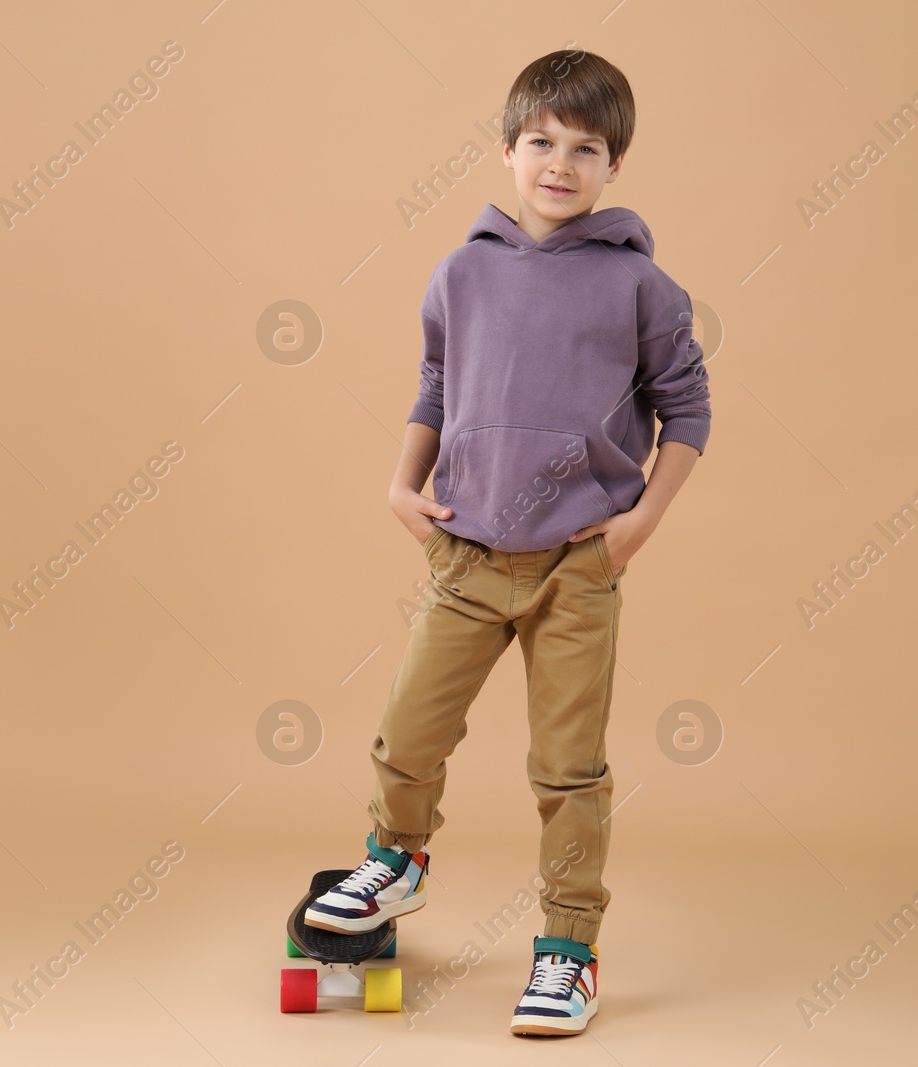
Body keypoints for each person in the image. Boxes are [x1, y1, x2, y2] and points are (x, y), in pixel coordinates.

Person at [302, 47, 711, 1036]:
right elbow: (436, 382)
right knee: (409, 733)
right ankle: (396, 860)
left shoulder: (641, 288)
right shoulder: (462, 271)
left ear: (614, 166)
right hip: (468, 558)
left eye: (585, 147)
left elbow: (687, 407)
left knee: (567, 768)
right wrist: (402, 484)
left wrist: (640, 522)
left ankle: (568, 949)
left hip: (577, 566)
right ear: (506, 150)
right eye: (540, 141)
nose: (559, 163)